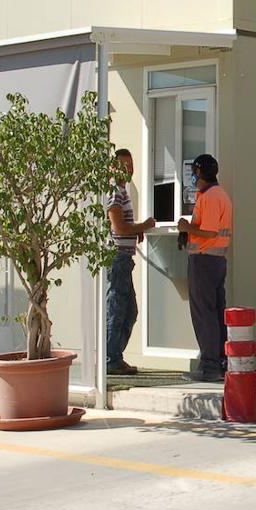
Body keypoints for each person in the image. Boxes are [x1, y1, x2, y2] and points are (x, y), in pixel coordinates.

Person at [177, 153, 233, 383]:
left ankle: (209, 364)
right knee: (217, 312)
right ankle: (220, 360)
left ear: (199, 173)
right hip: (216, 261)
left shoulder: (210, 197)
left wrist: (186, 227)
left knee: (204, 313)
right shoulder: (221, 195)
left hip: (204, 260)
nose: (193, 176)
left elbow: (209, 232)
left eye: (194, 172)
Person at [106, 149, 155, 376]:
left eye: (131, 164)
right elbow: (118, 228)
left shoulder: (123, 191)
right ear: (114, 167)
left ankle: (115, 356)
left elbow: (125, 227)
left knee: (130, 310)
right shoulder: (115, 192)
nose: (130, 169)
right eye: (124, 165)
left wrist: (137, 231)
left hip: (125, 258)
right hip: (117, 258)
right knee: (117, 309)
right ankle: (111, 359)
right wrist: (143, 226)